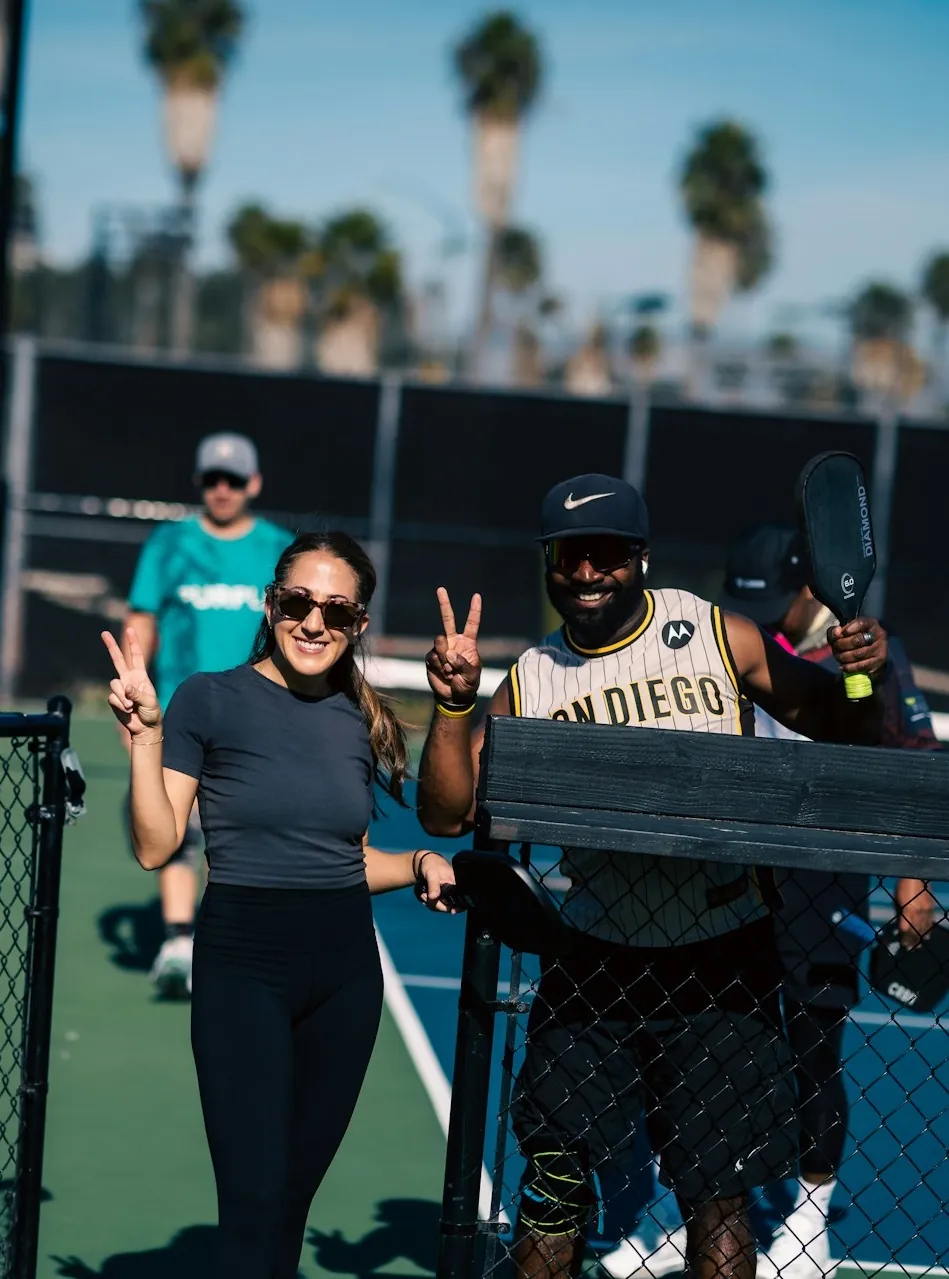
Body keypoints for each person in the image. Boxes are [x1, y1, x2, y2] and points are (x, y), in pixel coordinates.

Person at [416, 474, 889, 1279]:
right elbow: (445, 813)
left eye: (606, 554)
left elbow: (842, 725)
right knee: (555, 1178)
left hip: (721, 955)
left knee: (718, 1191)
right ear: (548, 564)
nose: (587, 571)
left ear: (638, 557)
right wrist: (456, 705)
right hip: (594, 953)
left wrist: (860, 670)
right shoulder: (532, 676)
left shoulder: (714, 632)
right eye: (570, 555)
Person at [103, 529, 459, 1279]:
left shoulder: (359, 719)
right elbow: (155, 844)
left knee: (290, 1203)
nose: (314, 621)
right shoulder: (210, 697)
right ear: (271, 604)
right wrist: (144, 738)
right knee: (253, 1204)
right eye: (298, 601)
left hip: (344, 976)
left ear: (359, 624)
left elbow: (342, 859)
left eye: (337, 610)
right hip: (244, 967)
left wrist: (421, 860)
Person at [124, 432, 291, 997]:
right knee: (177, 829)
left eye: (234, 480)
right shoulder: (169, 544)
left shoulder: (278, 548)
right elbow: (142, 619)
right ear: (200, 484)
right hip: (178, 711)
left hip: (256, 717)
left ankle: (219, 942)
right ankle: (176, 940)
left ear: (254, 484)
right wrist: (133, 695)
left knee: (237, 832)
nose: (222, 490)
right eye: (212, 480)